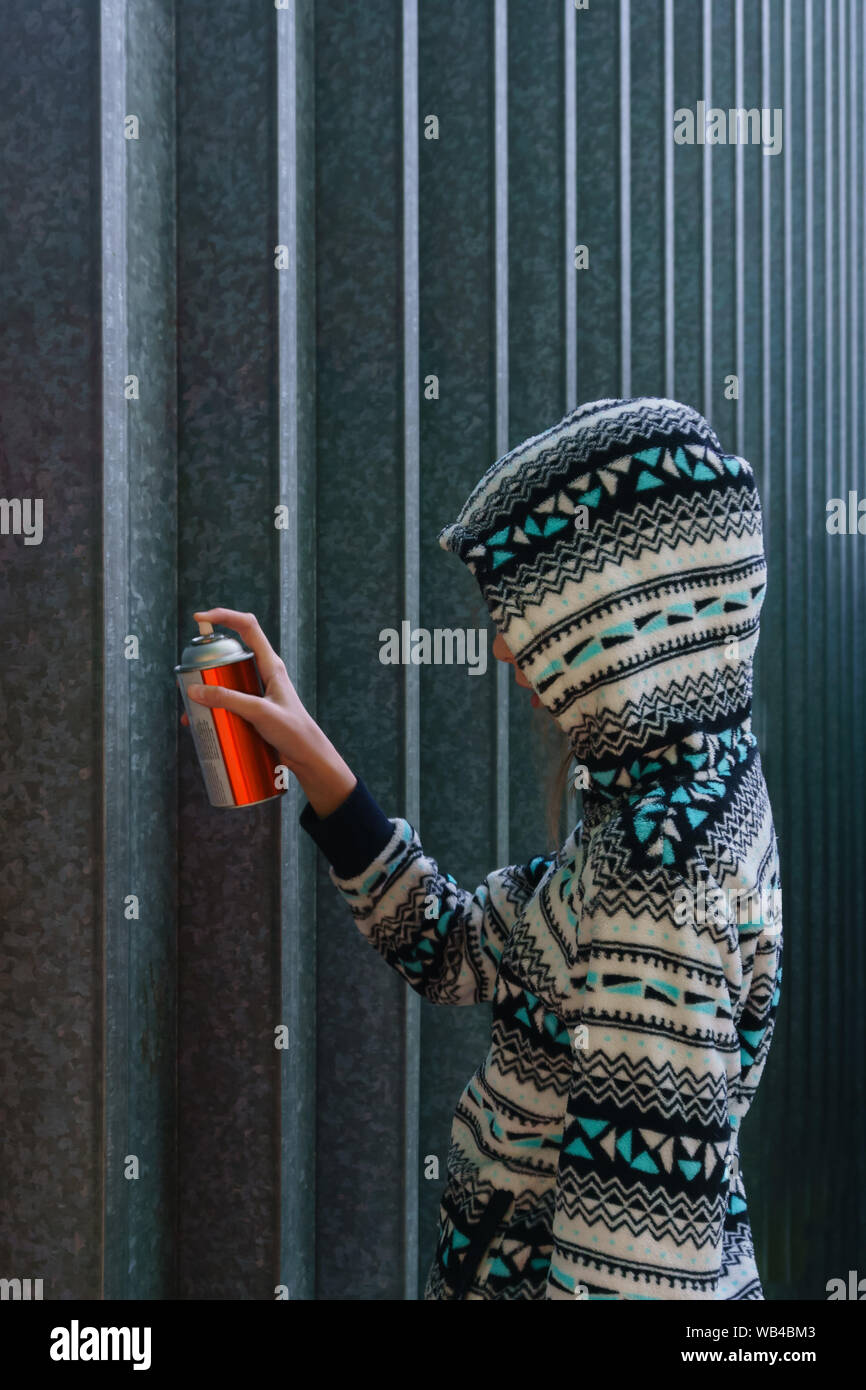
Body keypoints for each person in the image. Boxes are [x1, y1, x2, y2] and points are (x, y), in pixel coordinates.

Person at [182, 395, 783, 1300]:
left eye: (529, 611)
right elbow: (463, 949)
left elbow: (634, 1264)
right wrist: (313, 756)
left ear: (613, 618)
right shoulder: (682, 791)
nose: (505, 647)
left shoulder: (659, 869)